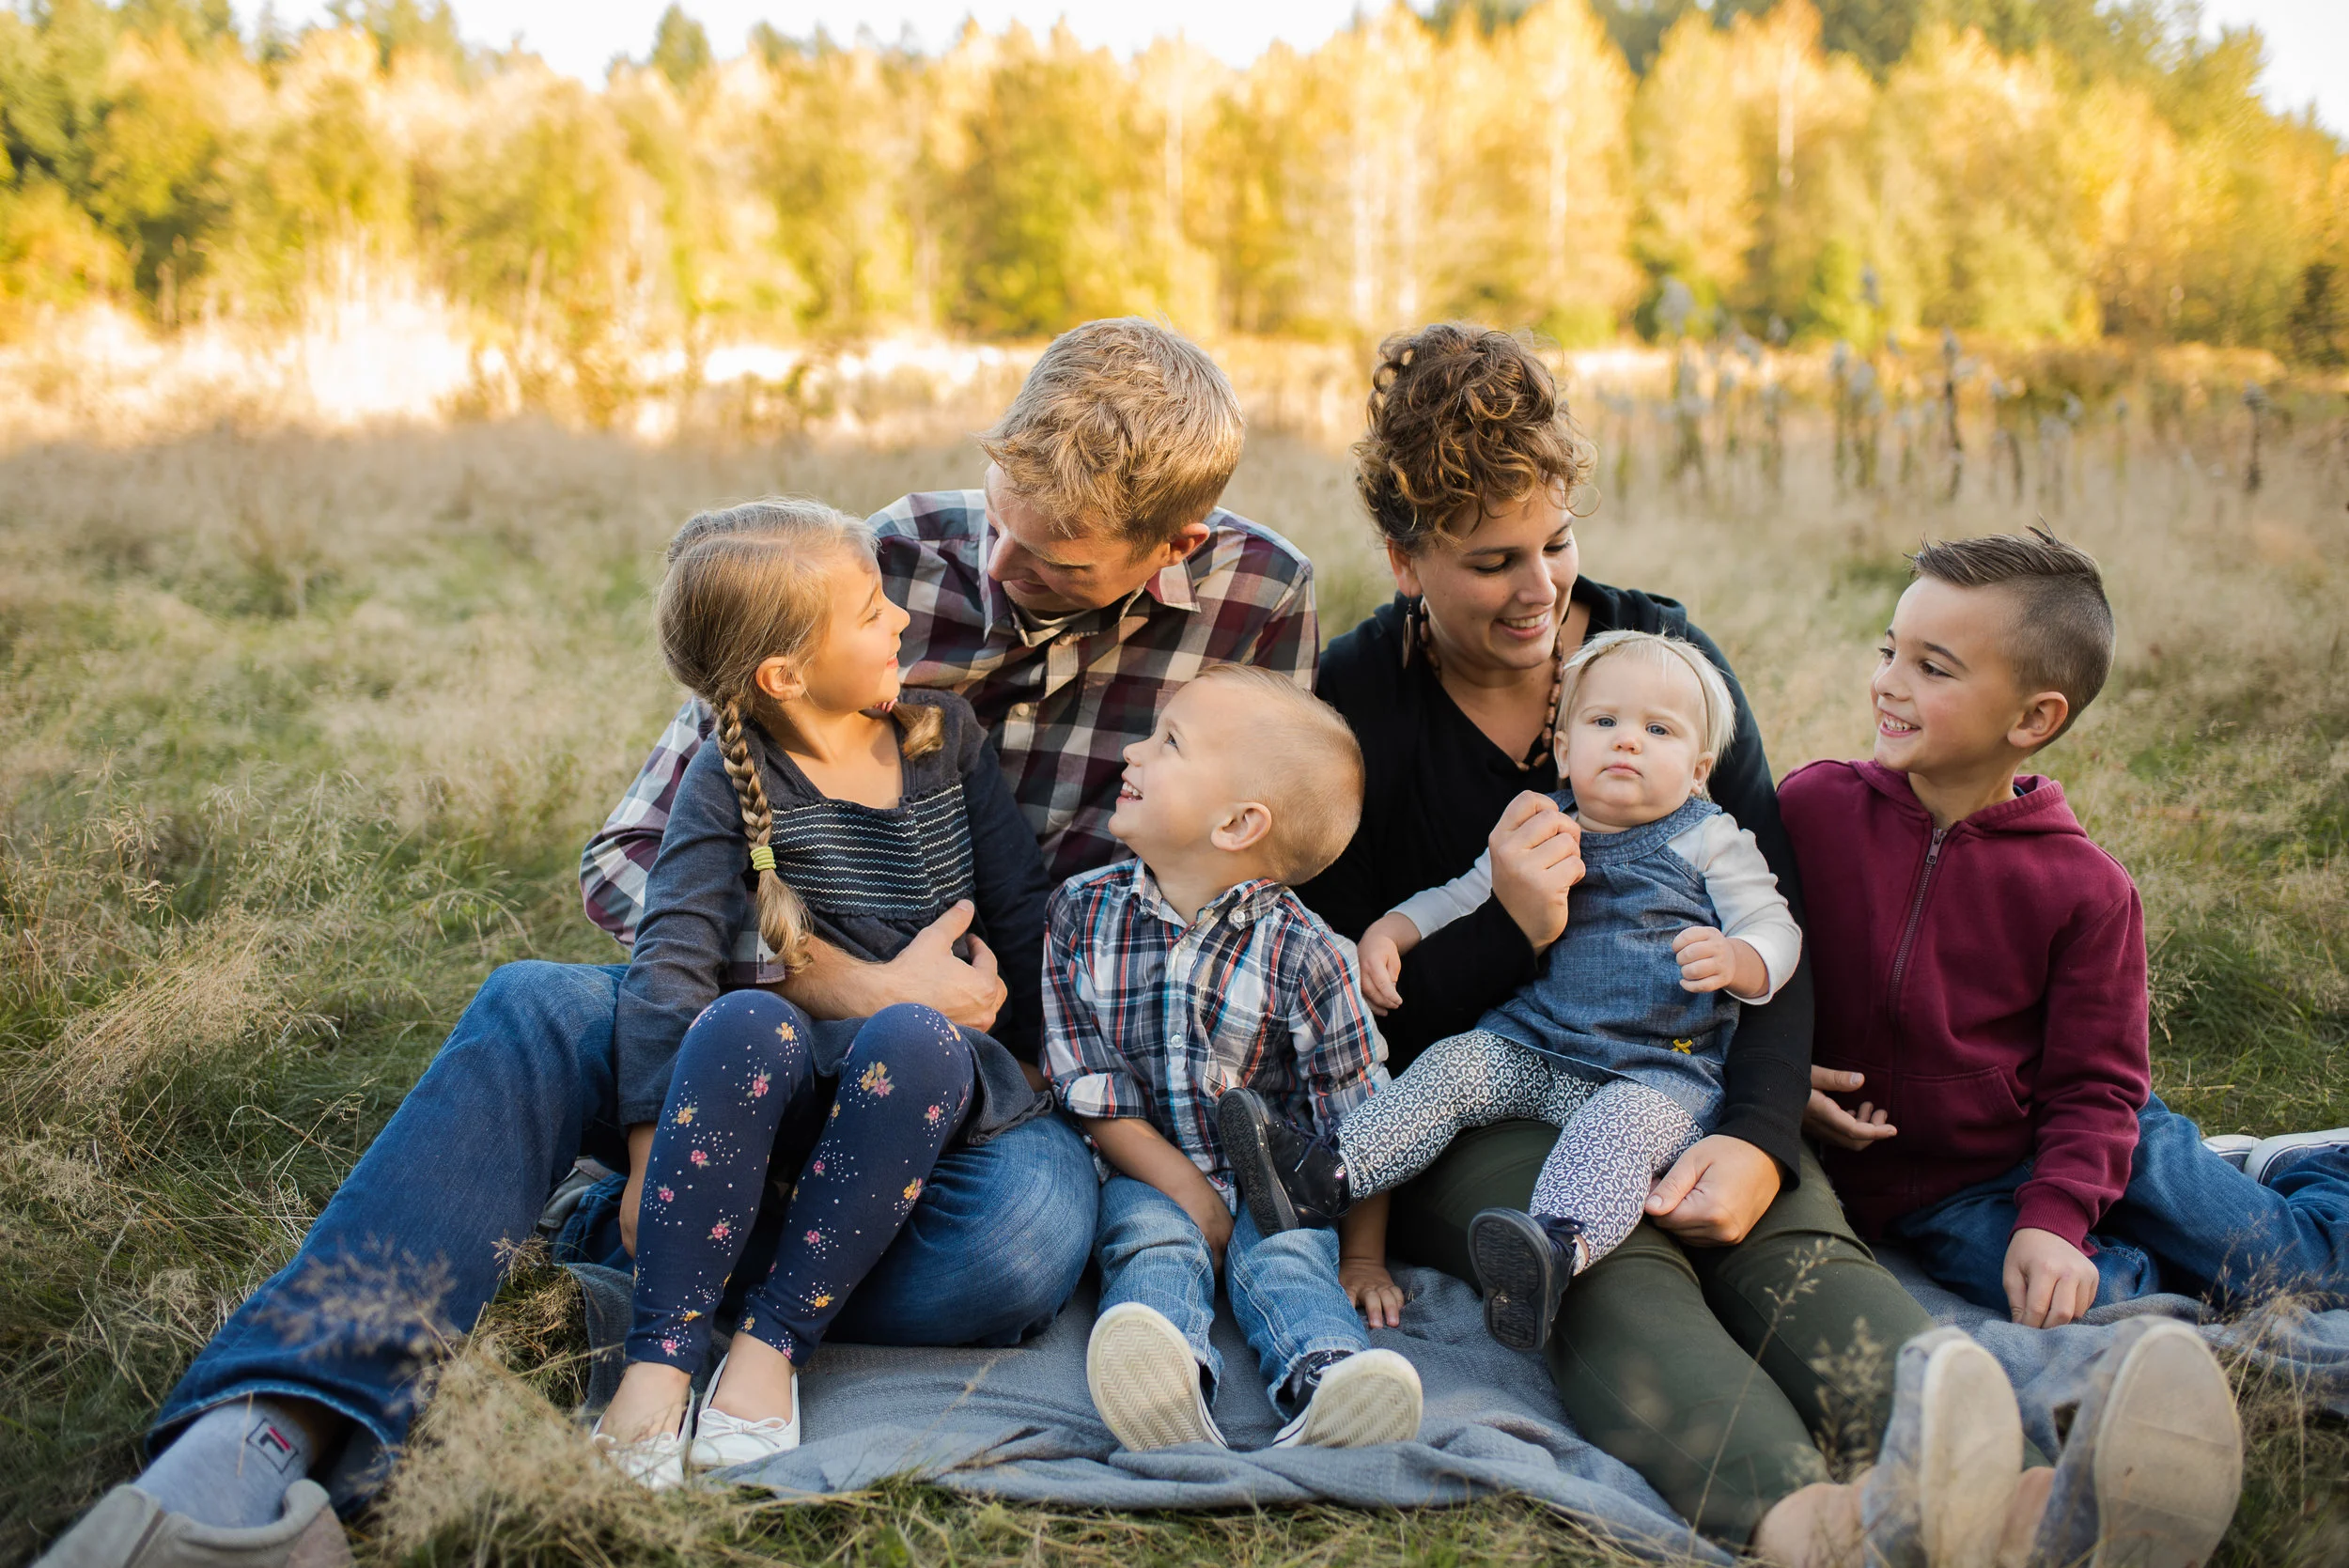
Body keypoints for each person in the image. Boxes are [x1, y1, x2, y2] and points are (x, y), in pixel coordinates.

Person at [40, 318, 1311, 1566]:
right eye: (1000, 521)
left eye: (1056, 563)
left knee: (1025, 1243)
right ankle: (256, 1441)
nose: (1003, 569)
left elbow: (1243, 884)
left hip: (965, 1083)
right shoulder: (874, 560)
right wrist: (849, 982)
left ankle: (631, 1273)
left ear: (1174, 546)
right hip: (742, 1028)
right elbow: (635, 858)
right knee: (534, 1009)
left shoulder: (1261, 602)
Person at [1286, 324, 2249, 1567]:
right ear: (1404, 558)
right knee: (1598, 1250)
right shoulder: (1362, 705)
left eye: (1559, 542)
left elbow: (1769, 915)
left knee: (1780, 1220)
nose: (1542, 591)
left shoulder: (1659, 654)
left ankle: (2024, 1503)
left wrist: (1753, 1127)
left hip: (1680, 1062)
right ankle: (1819, 1523)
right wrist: (1519, 933)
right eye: (1492, 561)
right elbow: (1353, 1004)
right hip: (1474, 1095)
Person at [590, 500, 1058, 1487]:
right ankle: (661, 1356)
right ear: (783, 674)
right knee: (745, 1016)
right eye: (869, 609)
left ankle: (770, 1343)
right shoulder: (730, 777)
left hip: (927, 1073)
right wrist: (644, 1158)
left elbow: (1019, 908)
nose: (899, 620)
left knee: (916, 1038)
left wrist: (1037, 1056)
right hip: (789, 1076)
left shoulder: (945, 737)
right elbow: (669, 957)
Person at [1791, 527, 2349, 1333]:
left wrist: (2055, 1210)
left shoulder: (2087, 890)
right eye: (1889, 652)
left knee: (2309, 1275)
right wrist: (1786, 1080)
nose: (1888, 684)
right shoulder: (1814, 809)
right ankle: (2169, 1201)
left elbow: (2096, 1083)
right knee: (2103, 1299)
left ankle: (2304, 1170)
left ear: (2033, 718)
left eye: (1931, 667)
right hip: (1946, 1192)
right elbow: (1753, 960)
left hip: (2075, 1128)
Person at [1223, 629, 1801, 1355]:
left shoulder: (1710, 838)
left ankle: (1550, 1252)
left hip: (1658, 1072)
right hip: (1541, 1044)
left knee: (1611, 1138)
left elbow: (1777, 930)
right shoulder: (1540, 821)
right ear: (1564, 749)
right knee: (1457, 1066)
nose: (1627, 742)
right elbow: (1464, 895)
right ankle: (1319, 1177)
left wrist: (1740, 959)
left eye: (1658, 730)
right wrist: (1392, 931)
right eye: (1604, 723)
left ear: (1698, 769)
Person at [1046, 667, 1423, 1452]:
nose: (1133, 753)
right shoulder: (1080, 913)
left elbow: (1362, 1120)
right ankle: (1165, 1381)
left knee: (1289, 1256)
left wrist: (1362, 1254)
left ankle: (1330, 1379)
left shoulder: (1309, 954)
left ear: (1237, 823)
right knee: (1151, 1242)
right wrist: (1186, 1187)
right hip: (1145, 1169)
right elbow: (1092, 1089)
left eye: (1169, 742)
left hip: (1280, 1181)